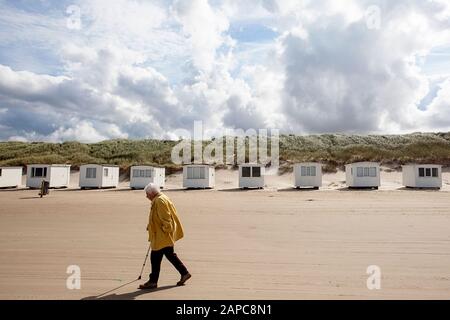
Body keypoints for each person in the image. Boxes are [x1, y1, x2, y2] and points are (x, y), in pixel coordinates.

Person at [139, 183, 191, 289]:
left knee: (155, 257)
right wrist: (151, 226)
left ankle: (153, 281)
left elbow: (166, 218)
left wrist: (164, 231)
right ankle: (184, 273)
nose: (146, 196)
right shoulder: (161, 198)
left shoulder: (159, 201)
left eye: (147, 194)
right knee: (169, 255)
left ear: (152, 193)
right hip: (162, 234)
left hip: (162, 235)